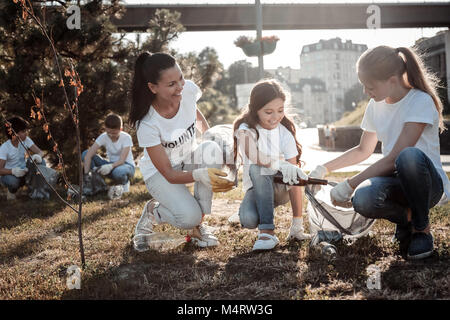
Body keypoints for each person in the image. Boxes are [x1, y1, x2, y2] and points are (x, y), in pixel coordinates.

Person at [309, 46, 450, 260]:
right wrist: (325, 168)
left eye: (370, 86)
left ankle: (421, 230)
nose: (366, 92)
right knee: (363, 199)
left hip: (426, 184)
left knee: (408, 157)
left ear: (392, 80)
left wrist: (350, 183)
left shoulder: (420, 101)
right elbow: (363, 150)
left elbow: (395, 158)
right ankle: (407, 219)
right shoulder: (375, 106)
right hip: (395, 182)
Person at [129, 51, 234, 249]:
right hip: (161, 175)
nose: (180, 87)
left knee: (211, 147)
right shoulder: (147, 123)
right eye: (171, 85)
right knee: (187, 217)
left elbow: (192, 109)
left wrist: (209, 133)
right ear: (152, 87)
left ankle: (198, 227)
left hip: (188, 158)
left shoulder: (188, 90)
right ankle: (154, 211)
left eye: (181, 78)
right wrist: (199, 174)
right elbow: (169, 173)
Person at [232, 79, 311, 251]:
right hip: (256, 187)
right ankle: (254, 211)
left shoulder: (285, 134)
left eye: (280, 110)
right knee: (249, 219)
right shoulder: (245, 128)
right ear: (255, 110)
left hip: (280, 189)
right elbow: (254, 155)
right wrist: (280, 165)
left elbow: (294, 180)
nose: (275, 117)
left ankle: (267, 233)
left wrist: (297, 223)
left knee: (264, 169)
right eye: (268, 112)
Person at [82, 113, 135, 193]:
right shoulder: (103, 136)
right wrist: (87, 175)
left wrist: (110, 166)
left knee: (119, 172)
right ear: (105, 128)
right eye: (108, 132)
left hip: (126, 166)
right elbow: (88, 156)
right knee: (85, 153)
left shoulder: (126, 138)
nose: (111, 135)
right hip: (110, 165)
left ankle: (124, 183)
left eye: (114, 133)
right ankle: (95, 183)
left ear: (120, 129)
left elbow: (122, 160)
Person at [0, 116, 45, 200]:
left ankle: (37, 192)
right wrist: (13, 171)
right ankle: (11, 191)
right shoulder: (4, 147)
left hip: (25, 172)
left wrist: (37, 156)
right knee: (12, 182)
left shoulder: (26, 140)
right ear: (14, 133)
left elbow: (40, 152)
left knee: (41, 162)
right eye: (23, 131)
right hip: (10, 175)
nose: (26, 133)